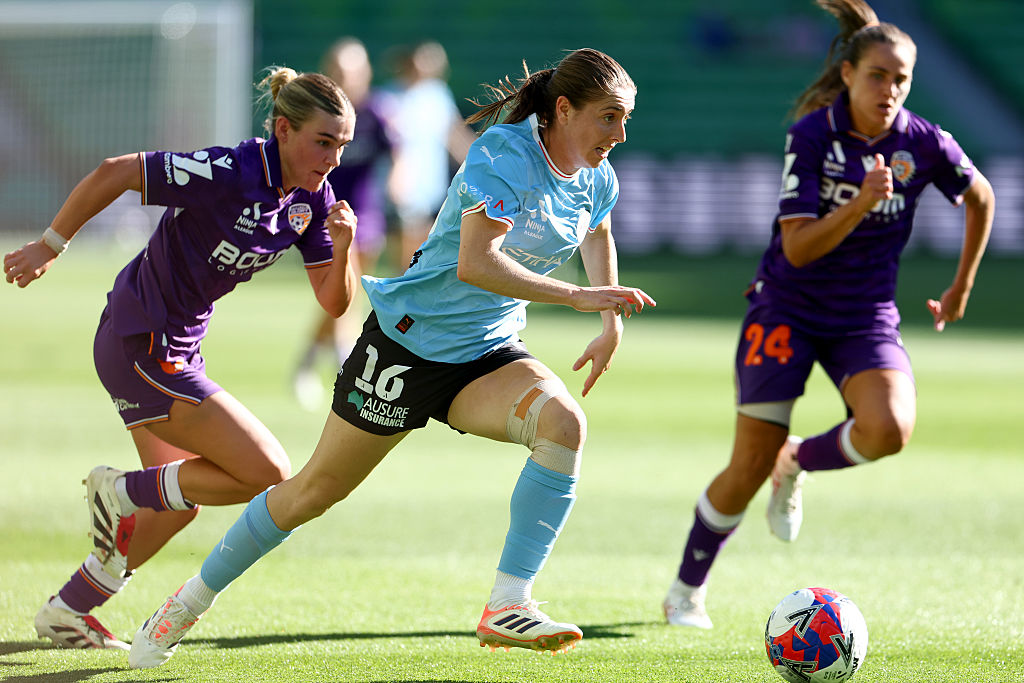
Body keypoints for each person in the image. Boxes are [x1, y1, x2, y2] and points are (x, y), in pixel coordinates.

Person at [126, 47, 655, 669]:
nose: (619, 135)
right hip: (406, 345)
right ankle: (186, 603)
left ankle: (509, 602)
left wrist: (608, 322)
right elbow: (475, 263)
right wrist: (576, 296)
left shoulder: (598, 175)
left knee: (564, 426)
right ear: (563, 110)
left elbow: (598, 232)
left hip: (486, 353)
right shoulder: (503, 154)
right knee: (312, 493)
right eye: (609, 118)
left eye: (626, 120)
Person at [662, 0, 994, 629]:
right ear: (848, 74)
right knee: (745, 465)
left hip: (865, 315)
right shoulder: (813, 134)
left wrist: (962, 286)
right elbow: (798, 246)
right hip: (786, 307)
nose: (889, 90)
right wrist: (863, 203)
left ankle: (798, 460)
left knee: (889, 429)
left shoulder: (923, 143)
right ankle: (685, 590)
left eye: (902, 78)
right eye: (877, 75)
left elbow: (981, 195)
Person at [3, 67, 359, 649]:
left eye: (341, 146)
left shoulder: (314, 202)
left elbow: (333, 301)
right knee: (267, 473)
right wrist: (50, 244)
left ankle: (69, 609)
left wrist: (343, 248)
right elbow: (117, 172)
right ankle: (118, 492)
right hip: (141, 340)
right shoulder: (231, 171)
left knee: (176, 504)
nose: (333, 159)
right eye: (323, 142)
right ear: (283, 129)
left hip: (172, 348)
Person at [292, 37, 398, 410]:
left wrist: (398, 183)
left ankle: (306, 360)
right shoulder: (315, 116)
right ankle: (344, 367)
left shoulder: (377, 112)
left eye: (350, 71)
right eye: (336, 71)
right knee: (343, 288)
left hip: (367, 214)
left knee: (343, 296)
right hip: (327, 213)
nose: (344, 78)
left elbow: (397, 151)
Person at [383, 40, 477, 271]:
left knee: (426, 250)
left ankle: (410, 299)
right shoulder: (390, 96)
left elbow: (454, 135)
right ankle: (400, 298)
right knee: (408, 251)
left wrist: (482, 163)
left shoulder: (438, 95)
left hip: (431, 185)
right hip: (405, 185)